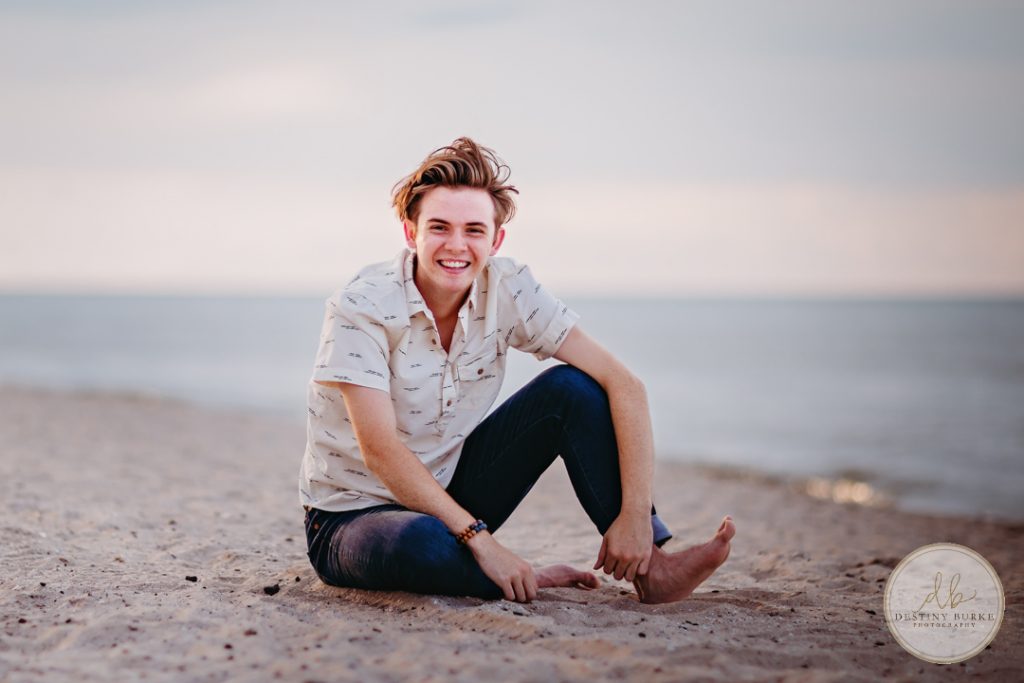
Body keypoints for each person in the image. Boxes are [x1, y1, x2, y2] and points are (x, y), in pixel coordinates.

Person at [299, 137, 735, 603]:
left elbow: (626, 385)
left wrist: (633, 518)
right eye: (440, 227)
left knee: (572, 390)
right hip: (352, 517)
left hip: (452, 492)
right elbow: (381, 452)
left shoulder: (508, 288)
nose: (456, 246)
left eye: (473, 230)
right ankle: (515, 575)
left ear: (495, 239)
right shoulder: (362, 306)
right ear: (412, 233)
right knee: (423, 544)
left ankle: (655, 569)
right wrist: (483, 543)